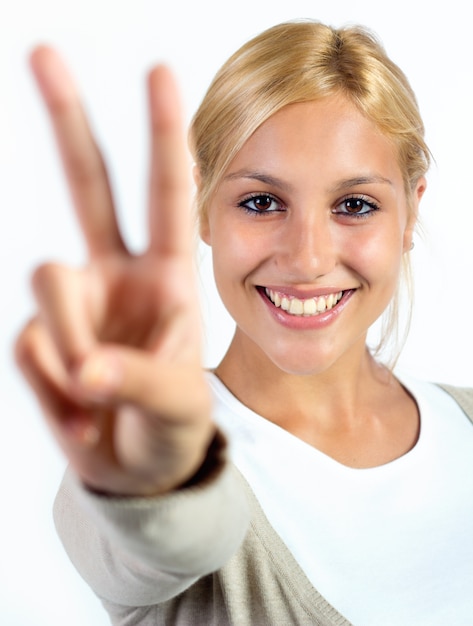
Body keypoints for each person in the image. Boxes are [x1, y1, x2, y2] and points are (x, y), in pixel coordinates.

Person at [15, 19, 473, 626]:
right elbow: (170, 538)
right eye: (261, 202)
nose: (308, 259)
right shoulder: (157, 439)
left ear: (410, 212)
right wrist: (156, 483)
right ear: (204, 205)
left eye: (355, 205)